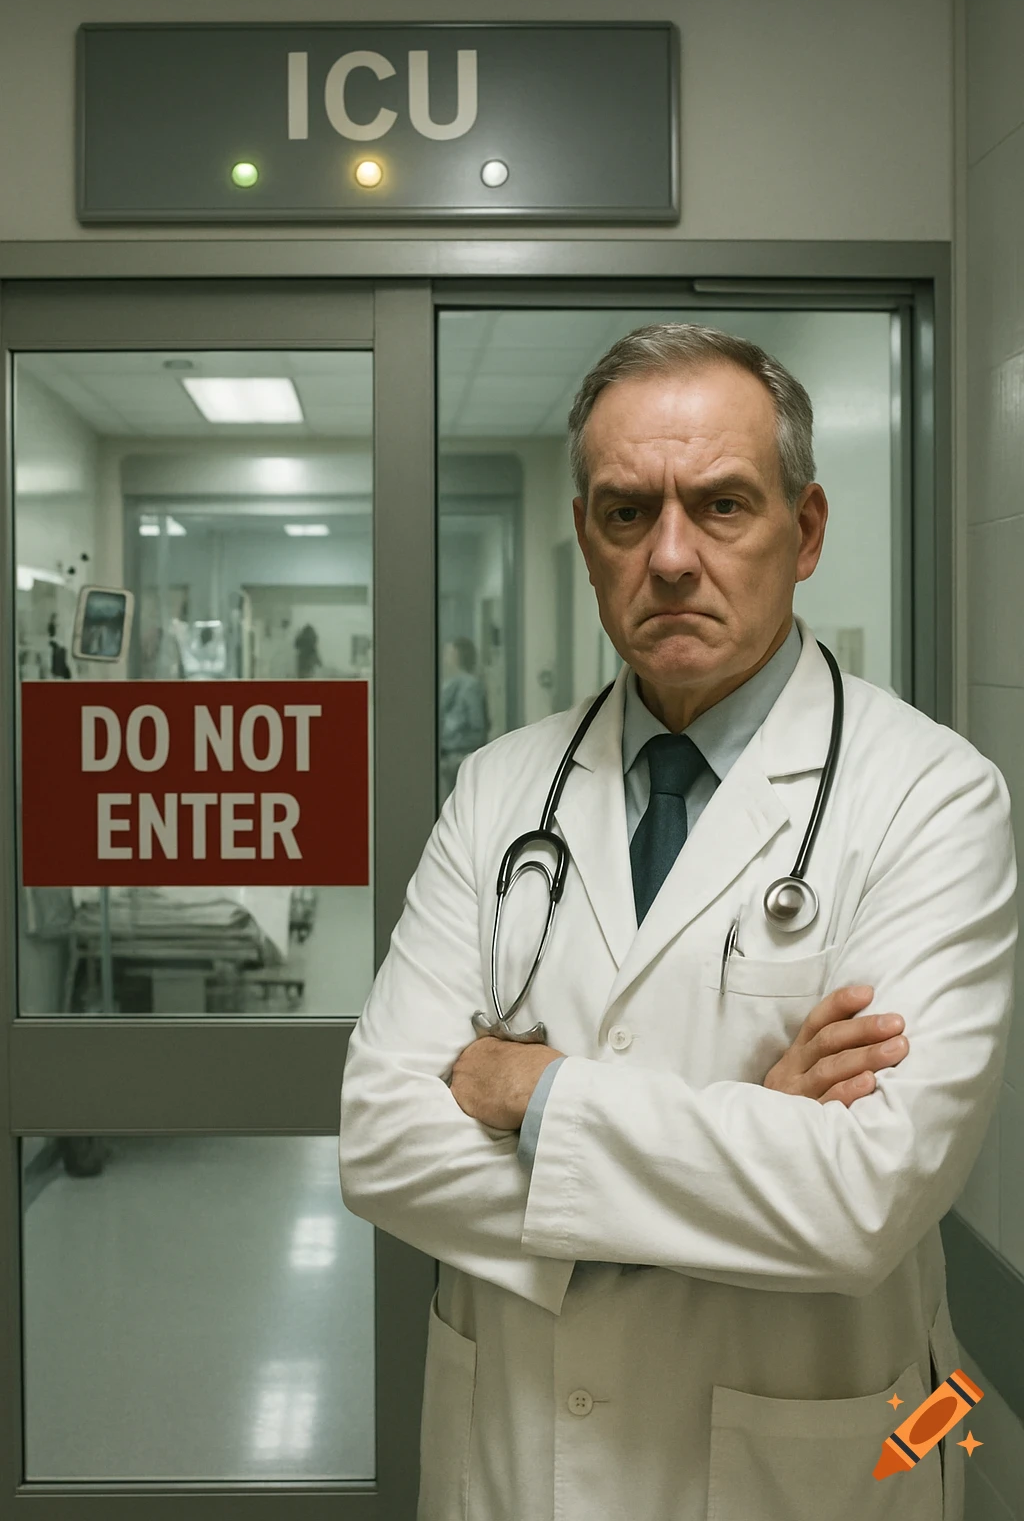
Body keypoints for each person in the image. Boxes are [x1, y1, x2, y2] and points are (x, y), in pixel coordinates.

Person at [338, 323, 1016, 1521]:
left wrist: (533, 1096)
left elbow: (862, 1202)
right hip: (515, 1452)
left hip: (812, 1463)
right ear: (585, 537)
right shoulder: (500, 791)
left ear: (802, 534)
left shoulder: (930, 795)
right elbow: (383, 1144)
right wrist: (755, 1135)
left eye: (721, 506)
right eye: (622, 512)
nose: (668, 556)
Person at [438, 636, 490, 801]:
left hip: (461, 754)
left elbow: (477, 723)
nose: (446, 657)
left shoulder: (470, 686)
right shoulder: (451, 684)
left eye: (449, 652)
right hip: (449, 753)